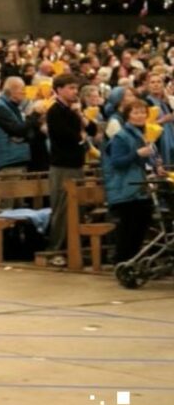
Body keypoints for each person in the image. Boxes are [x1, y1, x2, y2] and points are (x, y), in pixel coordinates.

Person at [46, 74, 96, 266]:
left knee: (77, 209)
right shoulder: (55, 111)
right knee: (61, 209)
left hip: (77, 164)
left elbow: (92, 131)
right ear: (59, 90)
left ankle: (74, 249)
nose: (75, 92)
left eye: (76, 88)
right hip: (62, 167)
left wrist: (80, 115)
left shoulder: (74, 110)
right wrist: (81, 137)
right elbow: (69, 137)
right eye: (71, 88)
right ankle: (56, 250)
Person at [102, 99, 160, 265]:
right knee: (129, 229)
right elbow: (116, 162)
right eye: (136, 112)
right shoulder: (121, 136)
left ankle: (134, 261)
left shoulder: (144, 135)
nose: (140, 116)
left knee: (141, 226)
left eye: (143, 112)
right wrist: (137, 154)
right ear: (128, 116)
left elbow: (145, 161)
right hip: (125, 189)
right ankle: (122, 261)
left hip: (140, 189)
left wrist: (156, 166)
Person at [0, 76, 37, 175]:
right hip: (8, 163)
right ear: (12, 91)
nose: (24, 93)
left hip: (16, 160)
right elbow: (18, 130)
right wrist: (35, 114)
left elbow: (24, 132)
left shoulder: (13, 107)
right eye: (22, 89)